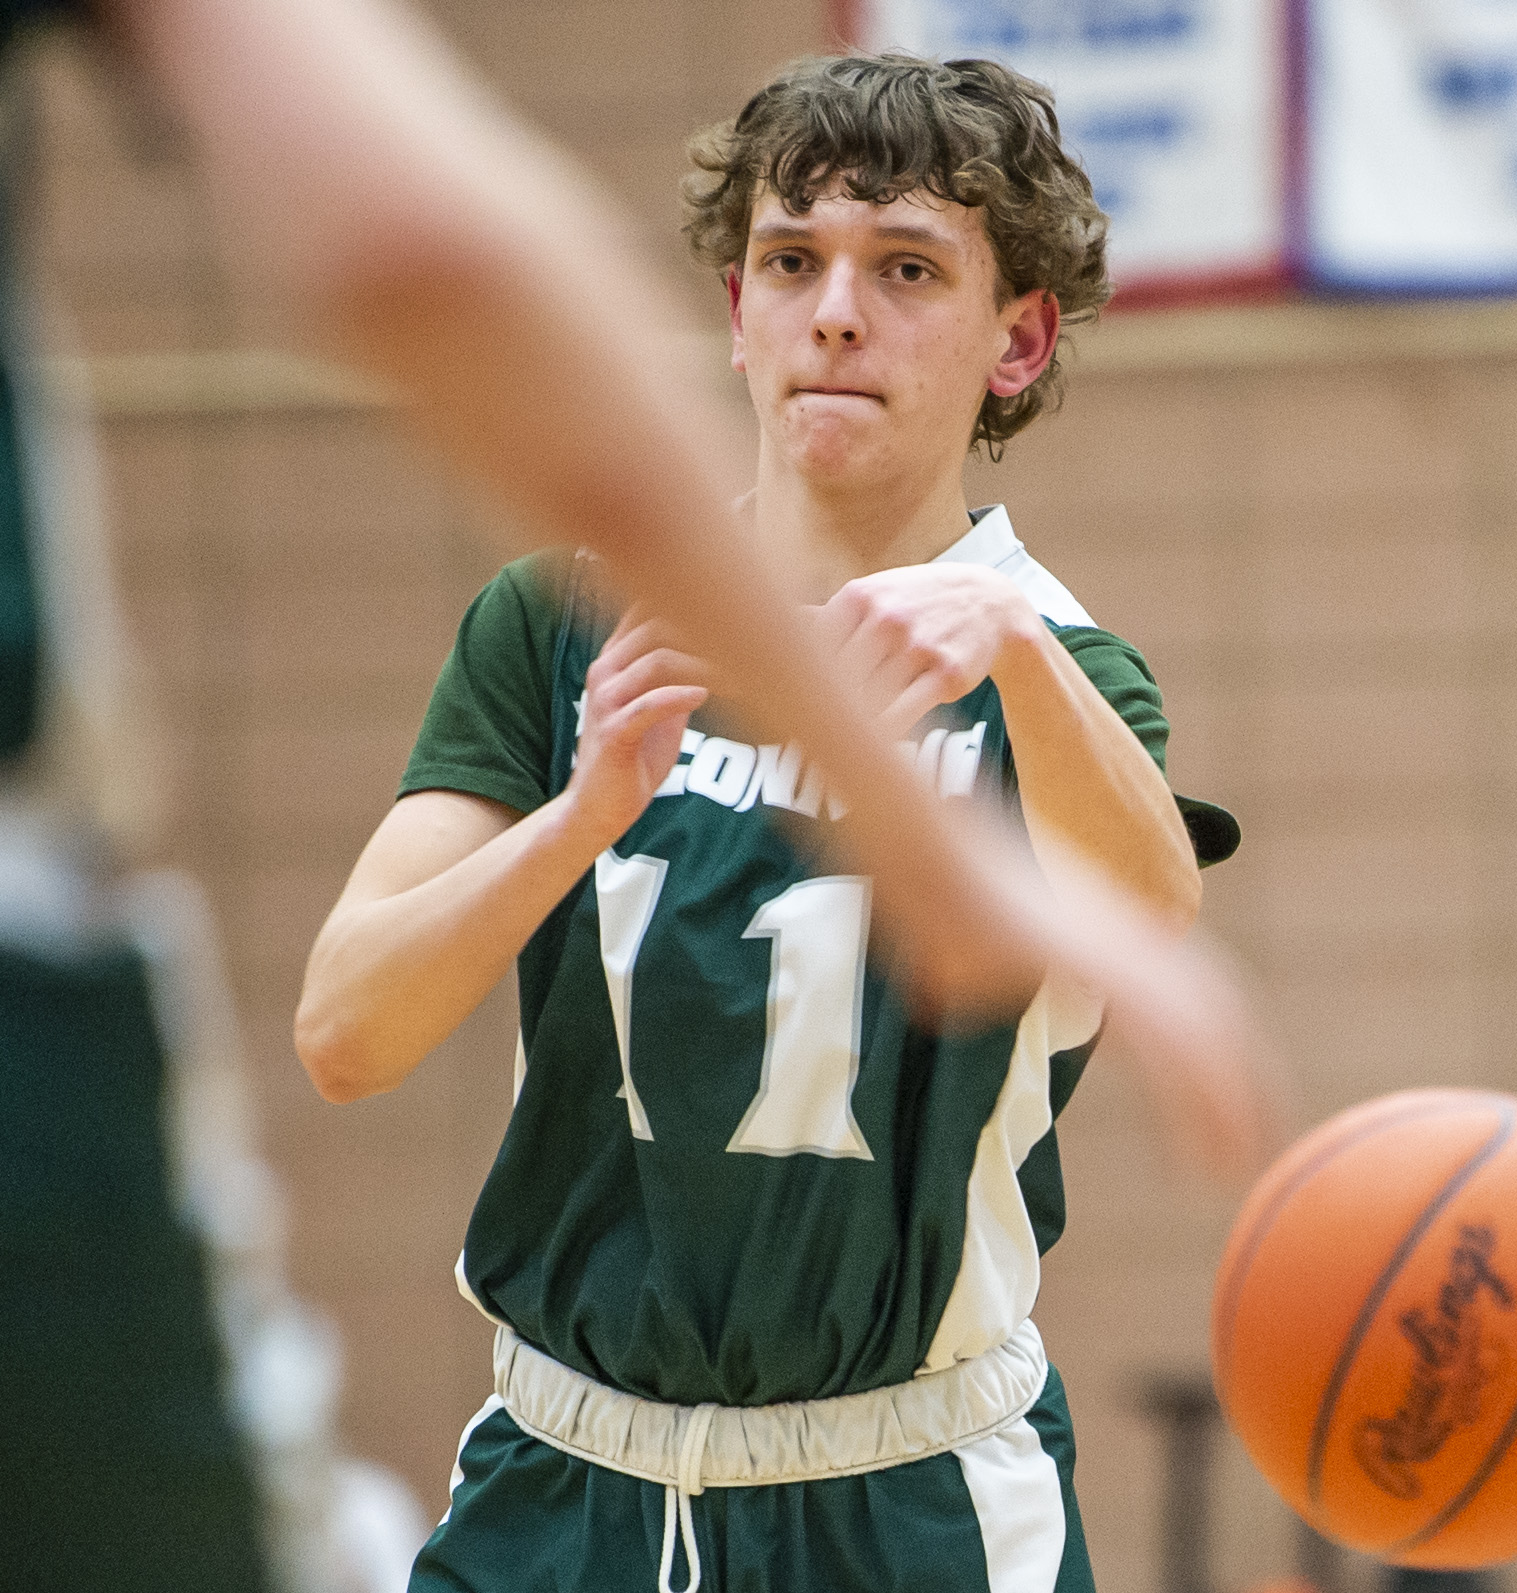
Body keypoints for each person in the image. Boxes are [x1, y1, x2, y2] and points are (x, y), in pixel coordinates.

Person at [297, 53, 1244, 1593]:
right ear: (736, 313)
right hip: (567, 1481)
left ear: (1020, 339)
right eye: (791, 261)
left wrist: (1003, 645)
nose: (836, 312)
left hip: (908, 1500)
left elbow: (1150, 919)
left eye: (907, 269)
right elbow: (344, 1031)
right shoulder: (555, 626)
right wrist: (579, 814)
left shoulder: (1061, 673)